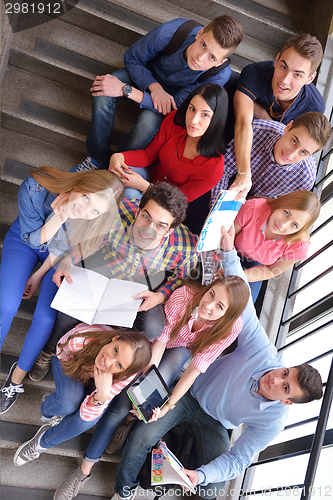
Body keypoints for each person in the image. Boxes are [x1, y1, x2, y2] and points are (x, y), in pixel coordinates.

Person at [95, 226, 322, 500]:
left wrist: (200, 476)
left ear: (287, 402)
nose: (276, 379)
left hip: (216, 423)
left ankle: (174, 460)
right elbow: (242, 302)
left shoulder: (274, 420)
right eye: (285, 372)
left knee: (212, 490)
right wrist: (228, 250)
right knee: (141, 438)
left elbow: (239, 460)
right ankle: (124, 491)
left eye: (285, 388)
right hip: (190, 391)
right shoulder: (264, 352)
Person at [28, 182, 198, 382]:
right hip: (103, 266)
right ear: (138, 212)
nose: (149, 229)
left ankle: (110, 353)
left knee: (154, 326)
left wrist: (161, 295)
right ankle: (51, 349)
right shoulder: (118, 213)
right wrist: (67, 261)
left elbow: (182, 275)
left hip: (141, 284)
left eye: (160, 226)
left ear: (169, 231)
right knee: (69, 310)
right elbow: (90, 240)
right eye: (146, 217)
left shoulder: (186, 247)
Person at [0, 167, 124, 414]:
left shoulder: (99, 220)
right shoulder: (36, 186)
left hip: (58, 258)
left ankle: (16, 379)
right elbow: (35, 239)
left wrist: (39, 274)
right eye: (86, 197)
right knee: (6, 304)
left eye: (96, 210)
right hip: (26, 240)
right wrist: (62, 215)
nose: (85, 211)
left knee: (46, 319)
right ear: (81, 183)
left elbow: (65, 248)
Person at [76, 16, 243, 171]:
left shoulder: (219, 74)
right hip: (143, 75)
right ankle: (97, 158)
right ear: (200, 32)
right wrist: (154, 87)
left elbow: (178, 107)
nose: (200, 58)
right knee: (103, 92)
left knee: (147, 123)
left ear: (220, 62)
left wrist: (125, 90)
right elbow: (133, 57)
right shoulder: (176, 31)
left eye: (212, 58)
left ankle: (115, 167)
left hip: (171, 102)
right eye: (203, 44)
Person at [13, 324, 152, 477]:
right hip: (69, 361)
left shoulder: (126, 375)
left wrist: (101, 395)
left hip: (95, 380)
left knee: (88, 420)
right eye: (115, 350)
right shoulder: (81, 339)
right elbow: (62, 352)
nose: (109, 361)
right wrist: (83, 376)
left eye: (119, 365)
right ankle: (49, 409)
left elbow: (89, 414)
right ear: (115, 338)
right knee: (67, 403)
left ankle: (40, 443)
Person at [229, 34, 325, 199]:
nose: (285, 80)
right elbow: (243, 122)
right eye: (283, 66)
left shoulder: (314, 107)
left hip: (270, 163)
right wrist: (244, 173)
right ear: (277, 59)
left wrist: (260, 113)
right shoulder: (255, 73)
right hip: (235, 143)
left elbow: (302, 146)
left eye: (297, 75)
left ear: (310, 78)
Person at [210, 111, 331, 204]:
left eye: (303, 152)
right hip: (232, 182)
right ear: (288, 127)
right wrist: (217, 211)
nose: (290, 154)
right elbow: (224, 170)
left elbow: (278, 209)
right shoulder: (257, 130)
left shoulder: (304, 179)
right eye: (294, 141)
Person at [225, 190, 321, 302]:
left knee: (241, 305)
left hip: (257, 266)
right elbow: (226, 237)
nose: (283, 224)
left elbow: (272, 270)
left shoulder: (299, 246)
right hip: (230, 248)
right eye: (286, 212)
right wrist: (226, 264)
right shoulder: (253, 208)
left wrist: (237, 275)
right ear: (282, 203)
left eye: (294, 225)